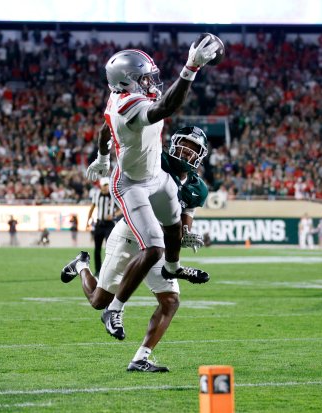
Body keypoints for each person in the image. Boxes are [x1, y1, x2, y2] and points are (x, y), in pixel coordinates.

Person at [84, 39, 218, 339]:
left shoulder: (116, 96)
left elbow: (105, 127)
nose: (150, 82)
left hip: (155, 176)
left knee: (172, 226)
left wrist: (103, 157)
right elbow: (166, 106)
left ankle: (173, 268)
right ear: (127, 81)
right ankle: (114, 310)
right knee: (155, 246)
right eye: (144, 78)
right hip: (131, 183)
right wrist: (191, 68)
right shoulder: (128, 104)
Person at [62, 126, 209, 372]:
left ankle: (141, 357)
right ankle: (81, 266)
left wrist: (185, 234)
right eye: (184, 145)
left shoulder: (197, 188)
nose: (186, 152)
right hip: (129, 234)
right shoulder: (155, 161)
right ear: (173, 144)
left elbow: (185, 217)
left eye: (192, 150)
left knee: (170, 301)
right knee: (99, 301)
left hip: (157, 244)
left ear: (200, 156)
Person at [86, 177, 120, 274]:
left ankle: (110, 270)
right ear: (101, 186)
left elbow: (120, 209)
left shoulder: (113, 195)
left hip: (110, 225)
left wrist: (113, 215)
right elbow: (92, 208)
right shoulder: (96, 195)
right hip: (99, 224)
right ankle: (98, 270)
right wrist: (87, 221)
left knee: (110, 248)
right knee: (97, 249)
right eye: (105, 185)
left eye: (107, 185)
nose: (106, 187)